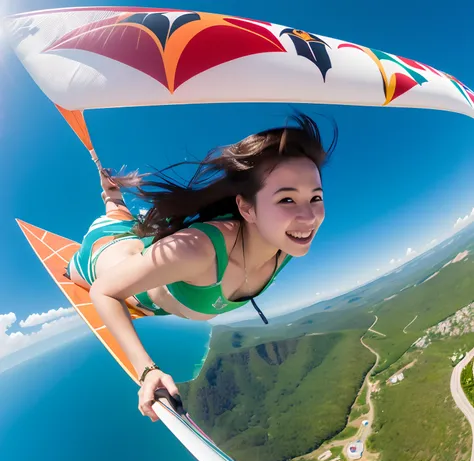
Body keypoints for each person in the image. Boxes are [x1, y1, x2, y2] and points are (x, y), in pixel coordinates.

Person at [66, 112, 337, 422]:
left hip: (145, 246)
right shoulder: (198, 250)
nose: (309, 217)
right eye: (287, 200)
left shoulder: (287, 243)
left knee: (127, 221)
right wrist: (146, 370)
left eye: (316, 197)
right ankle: (111, 201)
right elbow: (103, 291)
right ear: (246, 208)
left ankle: (112, 195)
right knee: (109, 231)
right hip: (103, 257)